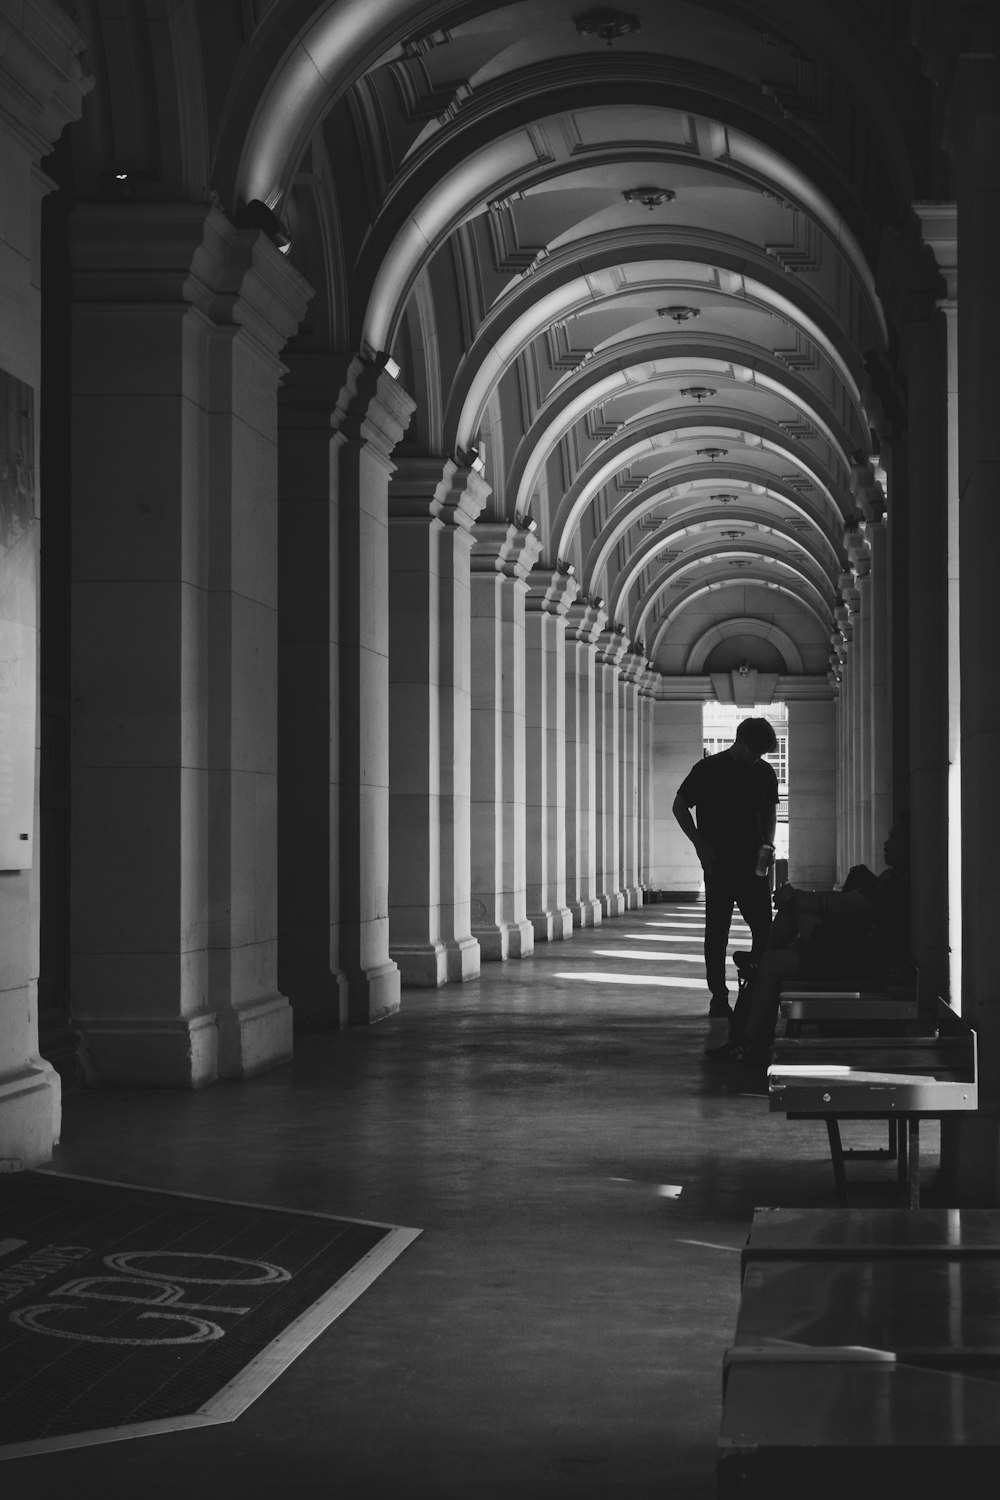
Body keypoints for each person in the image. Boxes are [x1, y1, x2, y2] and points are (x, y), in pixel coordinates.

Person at [719, 816, 911, 1064]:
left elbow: (844, 903)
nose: (886, 843)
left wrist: (795, 898)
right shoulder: (896, 880)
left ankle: (749, 1037)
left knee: (777, 947)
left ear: (910, 843)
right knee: (777, 946)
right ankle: (750, 1031)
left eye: (894, 838)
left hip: (860, 959)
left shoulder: (898, 883)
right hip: (857, 951)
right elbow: (843, 904)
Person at [672, 717, 779, 1017]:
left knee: (763, 927)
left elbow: (769, 809)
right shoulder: (707, 769)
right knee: (717, 930)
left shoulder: (763, 771)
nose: (758, 758)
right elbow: (679, 807)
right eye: (756, 750)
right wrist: (699, 844)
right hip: (718, 861)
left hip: (752, 861)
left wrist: (768, 845)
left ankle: (755, 981)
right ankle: (719, 994)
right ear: (741, 741)